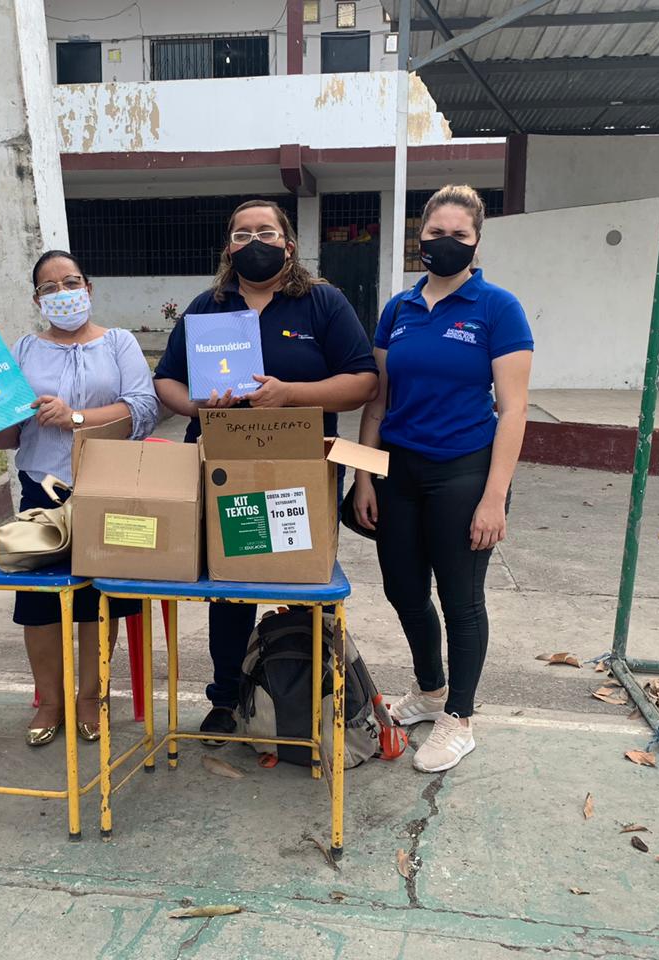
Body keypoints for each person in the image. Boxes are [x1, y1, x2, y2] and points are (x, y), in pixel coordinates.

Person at [154, 199, 379, 743]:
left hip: (299, 470)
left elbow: (363, 381)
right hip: (224, 468)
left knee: (301, 582)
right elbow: (166, 381)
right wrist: (199, 405)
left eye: (266, 232)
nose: (254, 242)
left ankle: (303, 697)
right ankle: (227, 698)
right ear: (228, 248)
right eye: (241, 234)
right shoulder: (208, 308)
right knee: (230, 585)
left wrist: (290, 394)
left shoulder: (322, 303)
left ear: (288, 245)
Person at [353, 185, 534, 774]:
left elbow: (514, 409)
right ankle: (430, 691)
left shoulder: (497, 308)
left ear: (476, 241)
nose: (445, 243)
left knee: (461, 599)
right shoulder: (399, 309)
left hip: (464, 471)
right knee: (404, 590)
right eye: (436, 233)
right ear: (420, 236)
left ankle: (459, 717)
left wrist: (494, 497)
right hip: (398, 470)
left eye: (459, 234)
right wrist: (365, 476)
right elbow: (378, 400)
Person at [0, 250, 159, 747]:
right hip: (42, 490)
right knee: (39, 603)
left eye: (71, 283)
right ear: (37, 300)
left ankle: (91, 697)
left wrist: (76, 419)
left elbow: (143, 409)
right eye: (49, 288)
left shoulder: (119, 342)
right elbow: (14, 430)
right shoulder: (24, 350)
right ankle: (49, 700)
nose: (62, 294)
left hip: (108, 485)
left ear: (88, 289)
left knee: (97, 599)